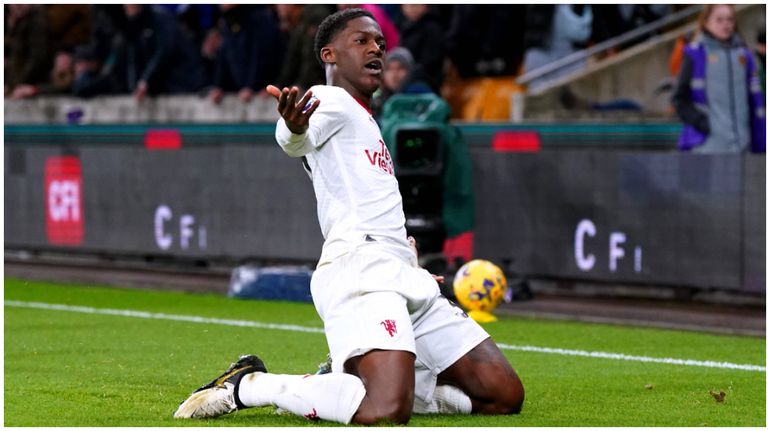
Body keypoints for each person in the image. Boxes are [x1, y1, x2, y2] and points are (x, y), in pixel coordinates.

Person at [174, 8, 524, 425]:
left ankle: (346, 385)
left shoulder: (366, 118)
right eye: (361, 41)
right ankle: (249, 385)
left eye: (379, 42)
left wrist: (405, 256)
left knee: (502, 394)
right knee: (385, 412)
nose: (376, 47)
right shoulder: (331, 101)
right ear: (330, 55)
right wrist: (291, 125)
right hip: (361, 271)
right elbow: (295, 138)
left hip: (399, 270)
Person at [672, 4, 765, 153]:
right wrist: (702, 123)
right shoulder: (695, 54)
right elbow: (679, 99)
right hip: (708, 147)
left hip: (742, 146)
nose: (725, 24)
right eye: (719, 20)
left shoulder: (744, 56)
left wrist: (760, 142)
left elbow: (755, 100)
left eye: (730, 19)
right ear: (706, 22)